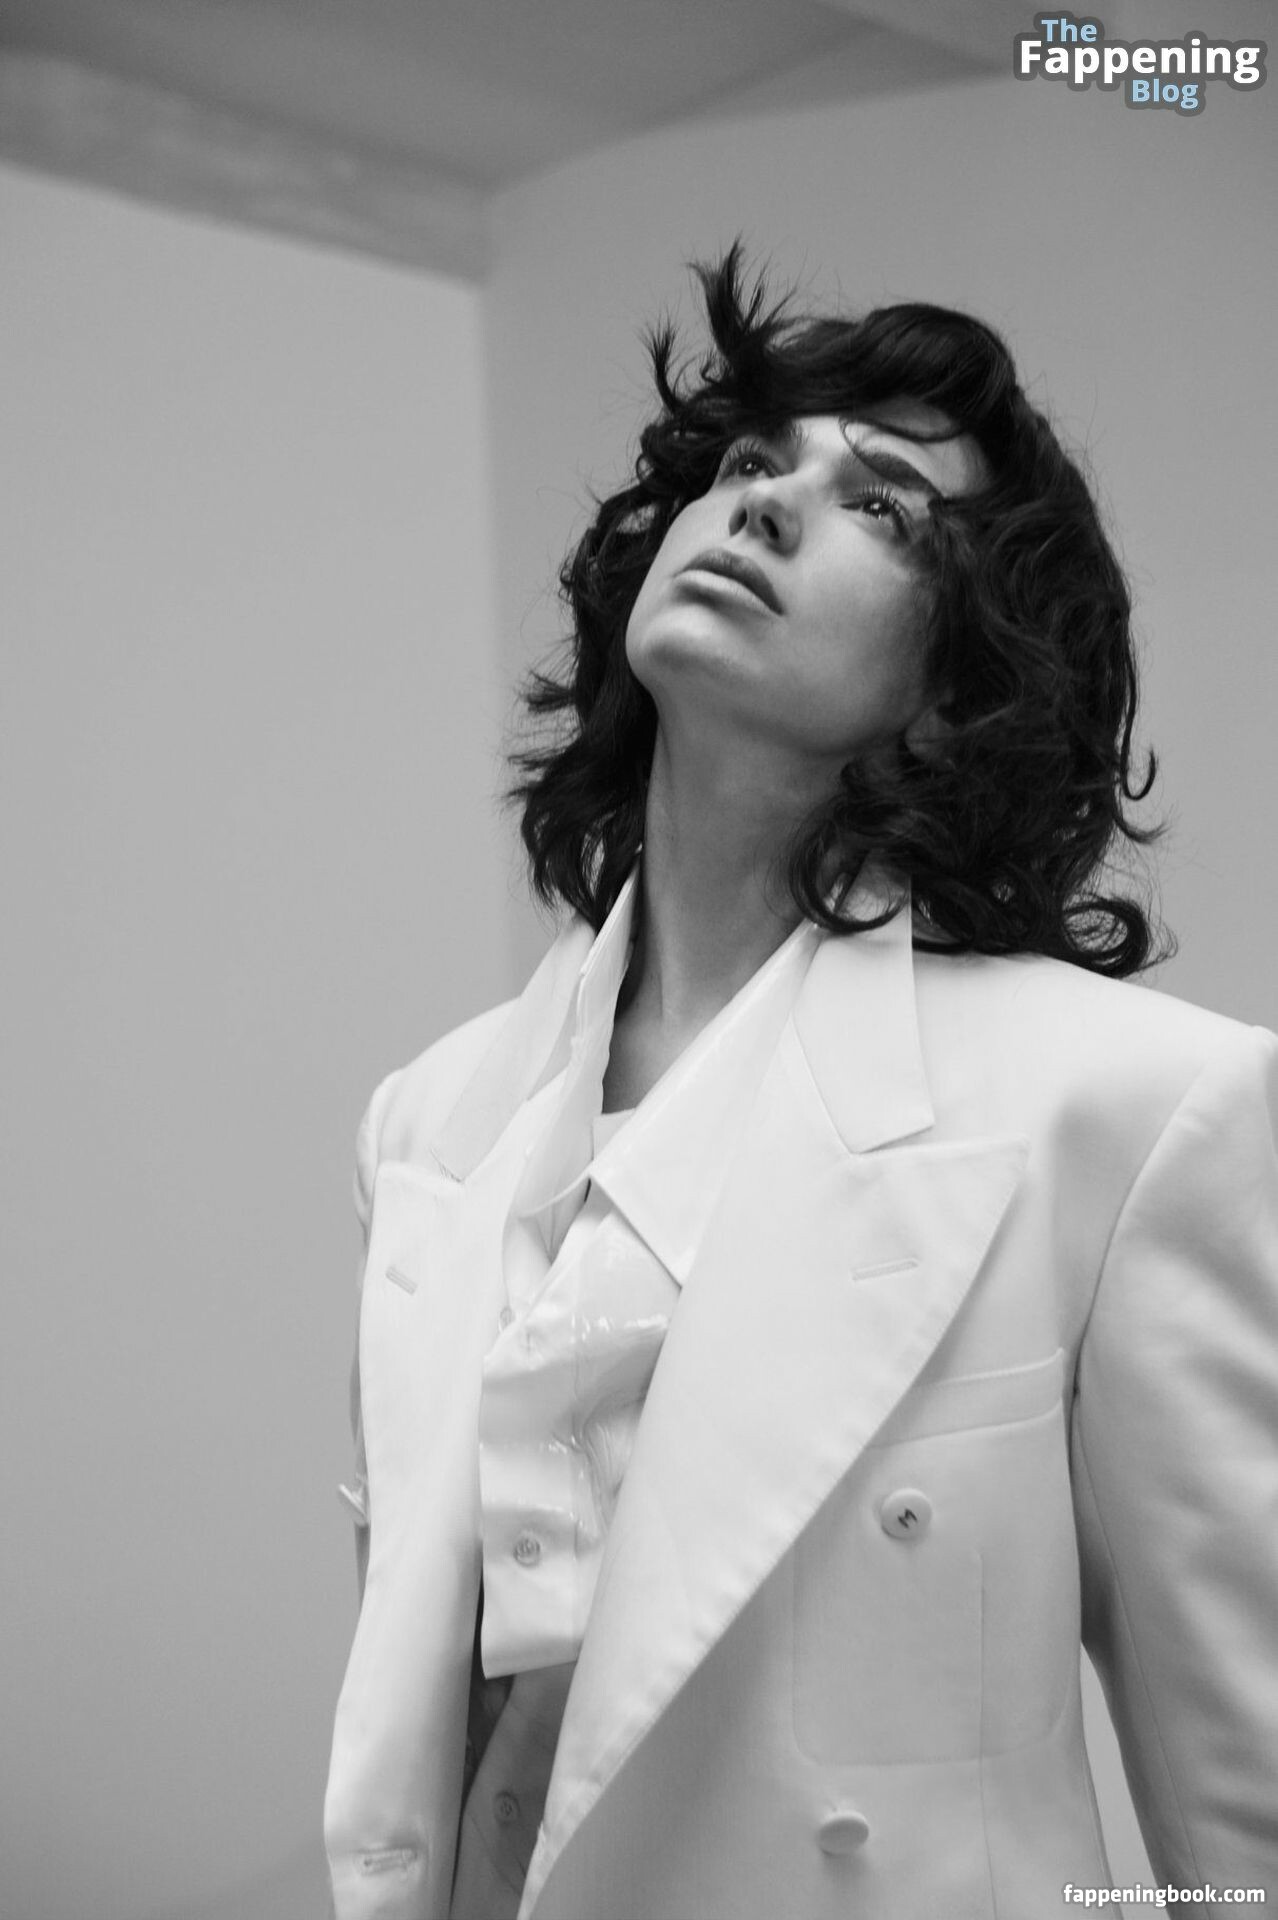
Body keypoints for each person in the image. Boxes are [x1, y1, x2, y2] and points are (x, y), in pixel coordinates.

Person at [323, 249, 1278, 1919]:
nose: (762, 503)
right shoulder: (433, 1119)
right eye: (750, 463)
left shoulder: (1130, 1110)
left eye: (881, 504)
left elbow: (1246, 1814)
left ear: (961, 671)